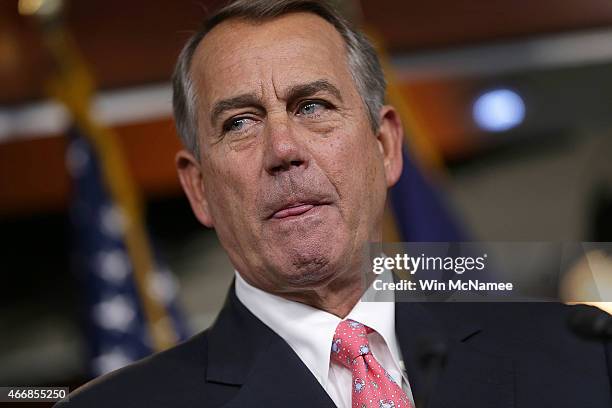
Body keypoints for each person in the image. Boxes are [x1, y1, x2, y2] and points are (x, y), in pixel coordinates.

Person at [57, 1, 611, 407]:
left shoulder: (580, 357)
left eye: (314, 106)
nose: (283, 149)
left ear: (386, 147)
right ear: (198, 187)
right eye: (240, 123)